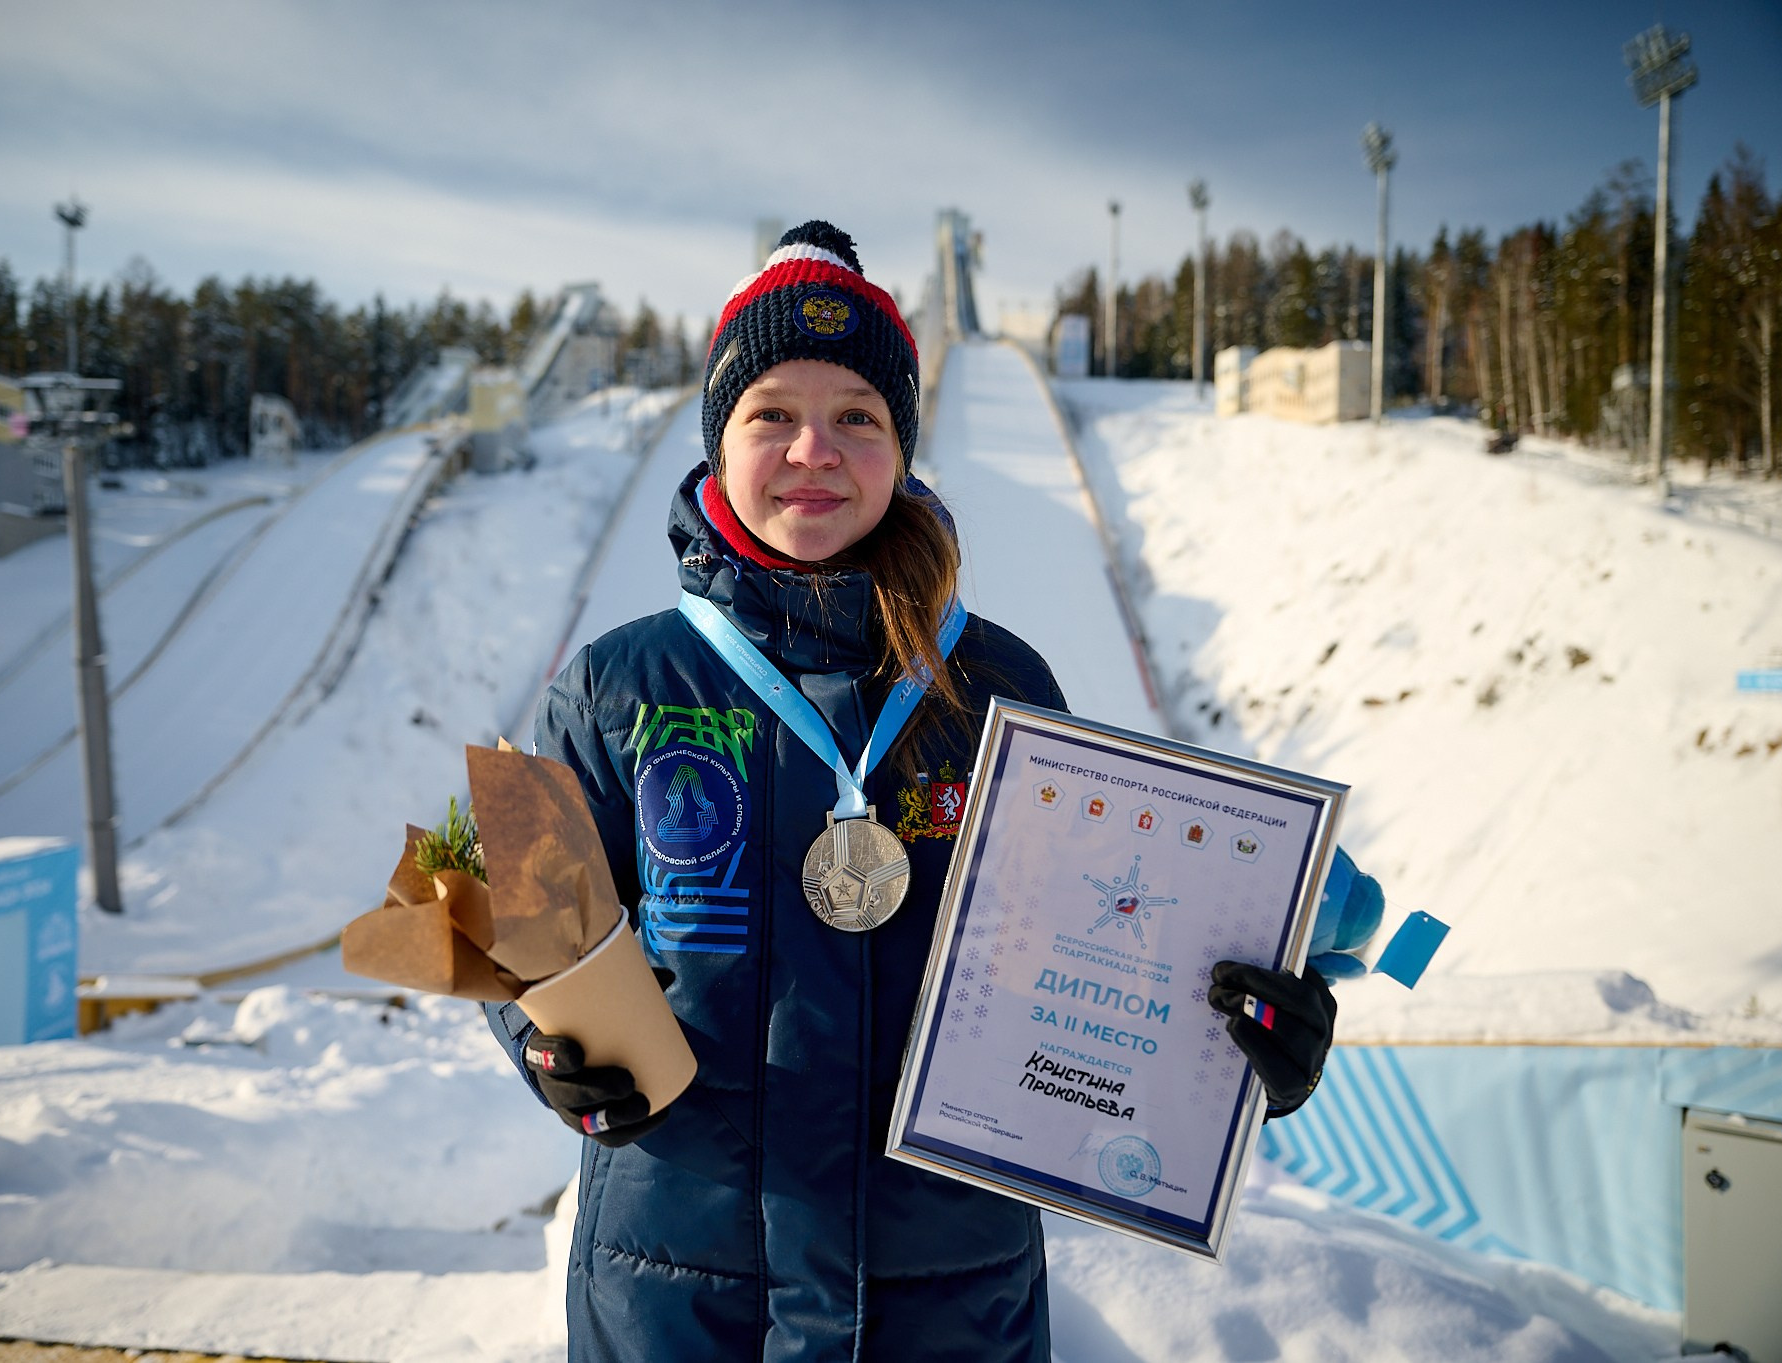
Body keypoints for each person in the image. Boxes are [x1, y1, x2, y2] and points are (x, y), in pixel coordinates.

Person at [487, 221, 1337, 1362]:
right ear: (716, 443)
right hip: (680, 1297)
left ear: (901, 448)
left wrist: (1238, 1053)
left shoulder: (997, 687)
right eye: (771, 415)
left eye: (858, 417)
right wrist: (541, 1042)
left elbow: (1117, 940)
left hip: (950, 1299)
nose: (814, 450)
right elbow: (518, 921)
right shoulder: (616, 684)